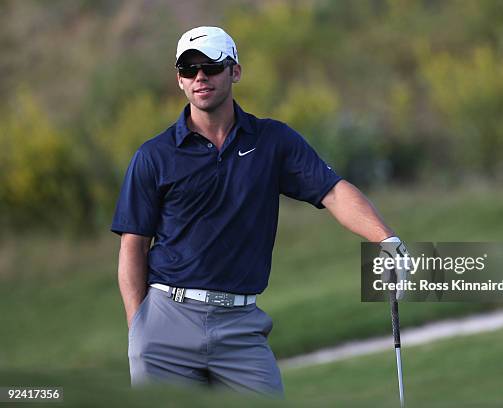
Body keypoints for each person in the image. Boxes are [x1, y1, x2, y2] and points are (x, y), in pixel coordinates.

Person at [111, 26, 408, 395]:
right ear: (180, 81)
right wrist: (138, 328)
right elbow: (133, 246)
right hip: (166, 321)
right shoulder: (153, 156)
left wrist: (387, 239)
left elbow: (333, 192)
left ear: (234, 71)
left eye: (211, 66)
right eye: (189, 70)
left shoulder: (272, 141)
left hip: (241, 325)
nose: (200, 76)